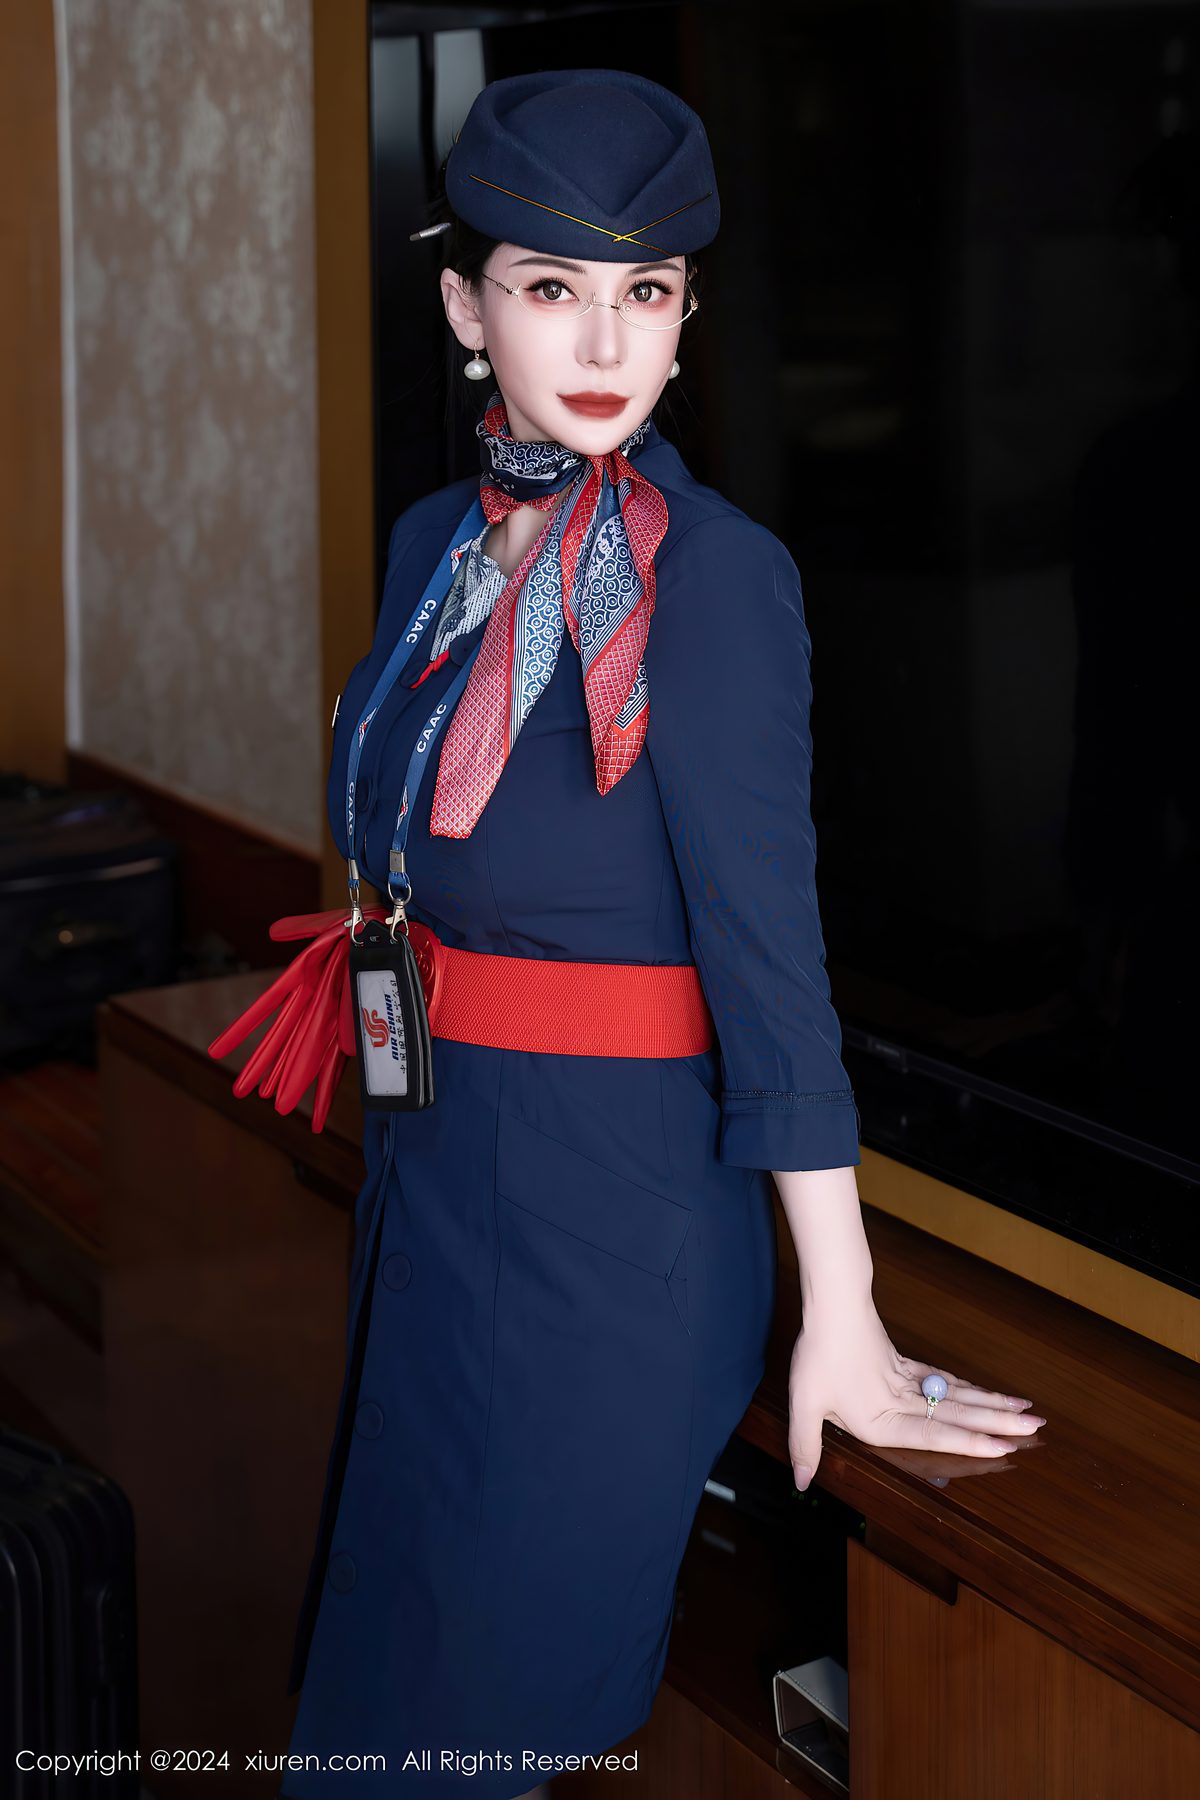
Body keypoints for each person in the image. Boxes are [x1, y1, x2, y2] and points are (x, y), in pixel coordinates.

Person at [277, 68, 1044, 1800]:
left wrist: (841, 1307)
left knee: (463, 1736)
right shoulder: (432, 544)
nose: (605, 339)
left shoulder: (715, 578)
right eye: (552, 285)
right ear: (466, 309)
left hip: (606, 1233)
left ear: (689, 316)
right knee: (378, 1702)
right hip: (431, 1175)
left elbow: (772, 957)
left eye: (649, 291)